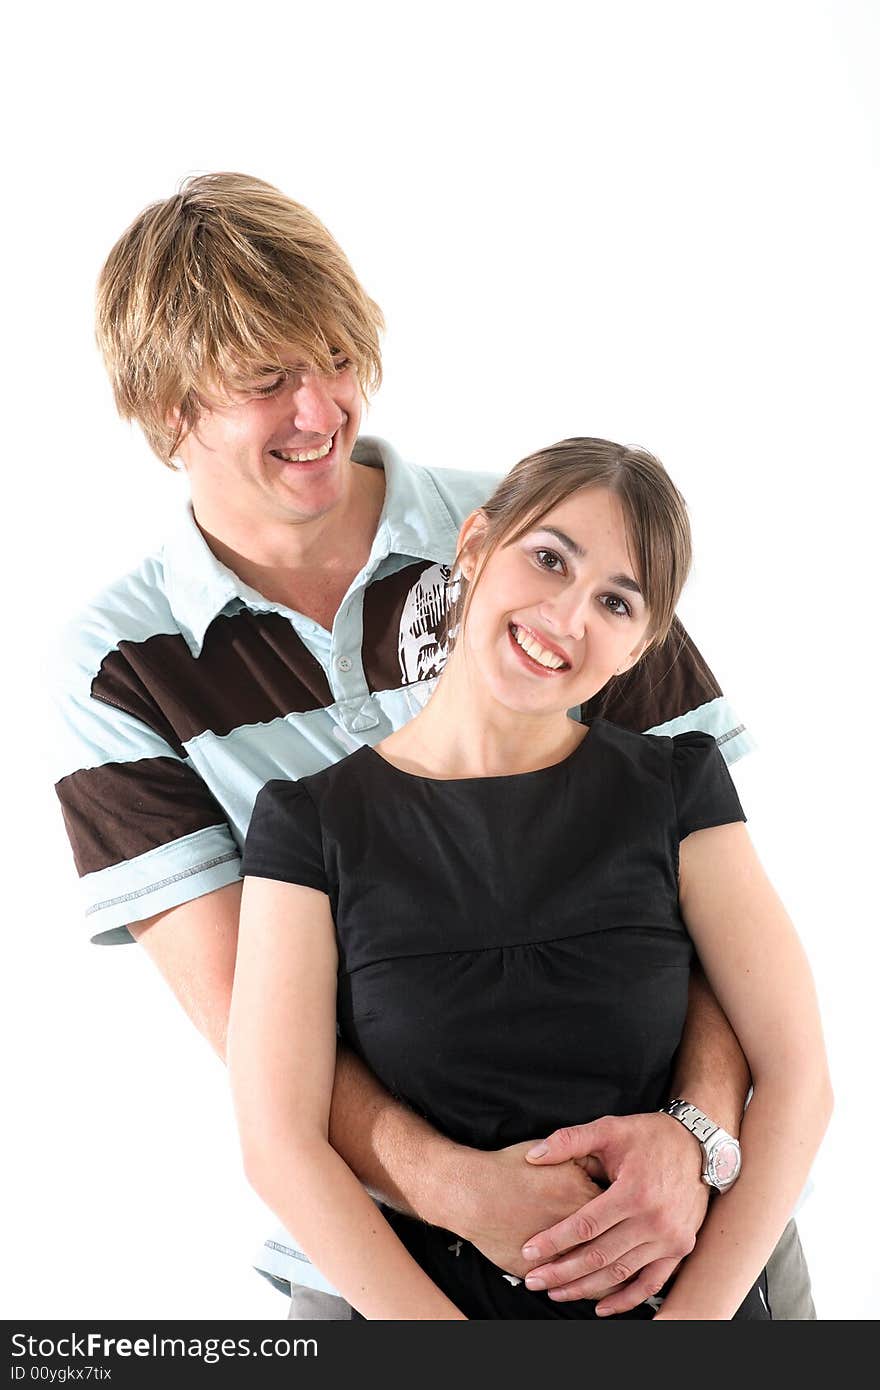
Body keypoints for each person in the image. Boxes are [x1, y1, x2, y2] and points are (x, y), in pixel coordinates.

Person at [51, 172, 815, 1318]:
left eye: (339, 361)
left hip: (679, 1232)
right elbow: (255, 1042)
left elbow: (707, 905)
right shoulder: (121, 666)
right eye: (267, 383)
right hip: (375, 1266)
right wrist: (452, 1187)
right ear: (167, 410)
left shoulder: (548, 547)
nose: (322, 413)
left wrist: (693, 1135)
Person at [231, 438, 832, 1319]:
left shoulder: (679, 788)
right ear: (473, 547)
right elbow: (278, 1141)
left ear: (638, 649)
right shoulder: (308, 826)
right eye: (550, 558)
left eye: (616, 602)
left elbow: (798, 1078)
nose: (567, 615)